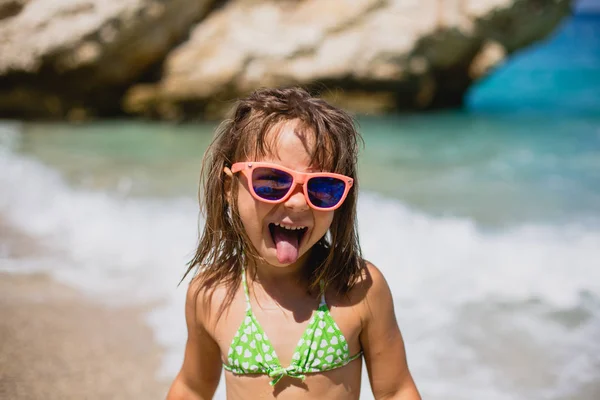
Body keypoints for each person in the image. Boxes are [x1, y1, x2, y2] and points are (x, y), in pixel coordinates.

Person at [167, 87, 421, 400]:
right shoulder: (212, 294)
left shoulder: (357, 290)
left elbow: (396, 391)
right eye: (272, 182)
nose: (299, 203)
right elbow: (192, 388)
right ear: (229, 188)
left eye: (323, 188)